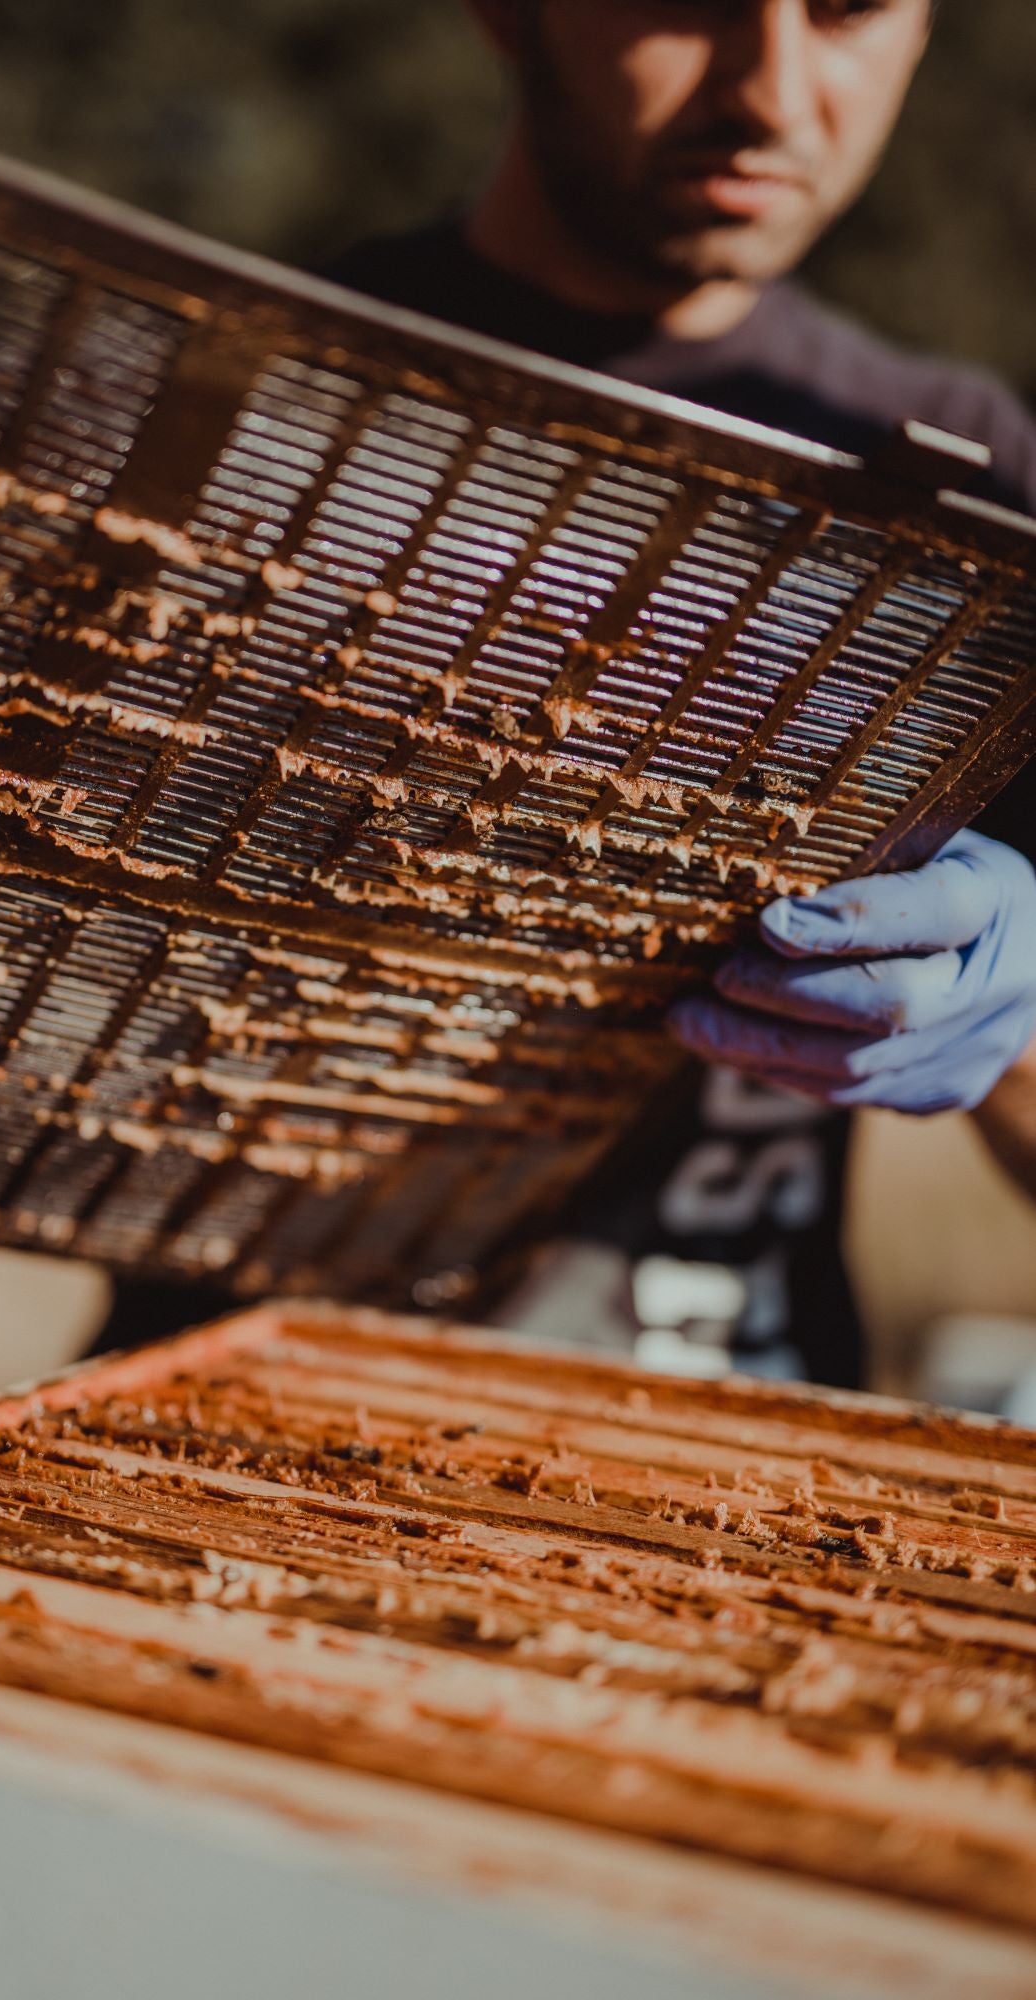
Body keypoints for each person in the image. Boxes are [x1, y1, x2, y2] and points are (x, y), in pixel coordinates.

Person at [313, 0, 1036, 1390]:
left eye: (846, 10)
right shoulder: (264, 394)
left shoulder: (979, 490)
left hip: (722, 1413)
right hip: (229, 1393)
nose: (771, 89)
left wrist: (1008, 1025)